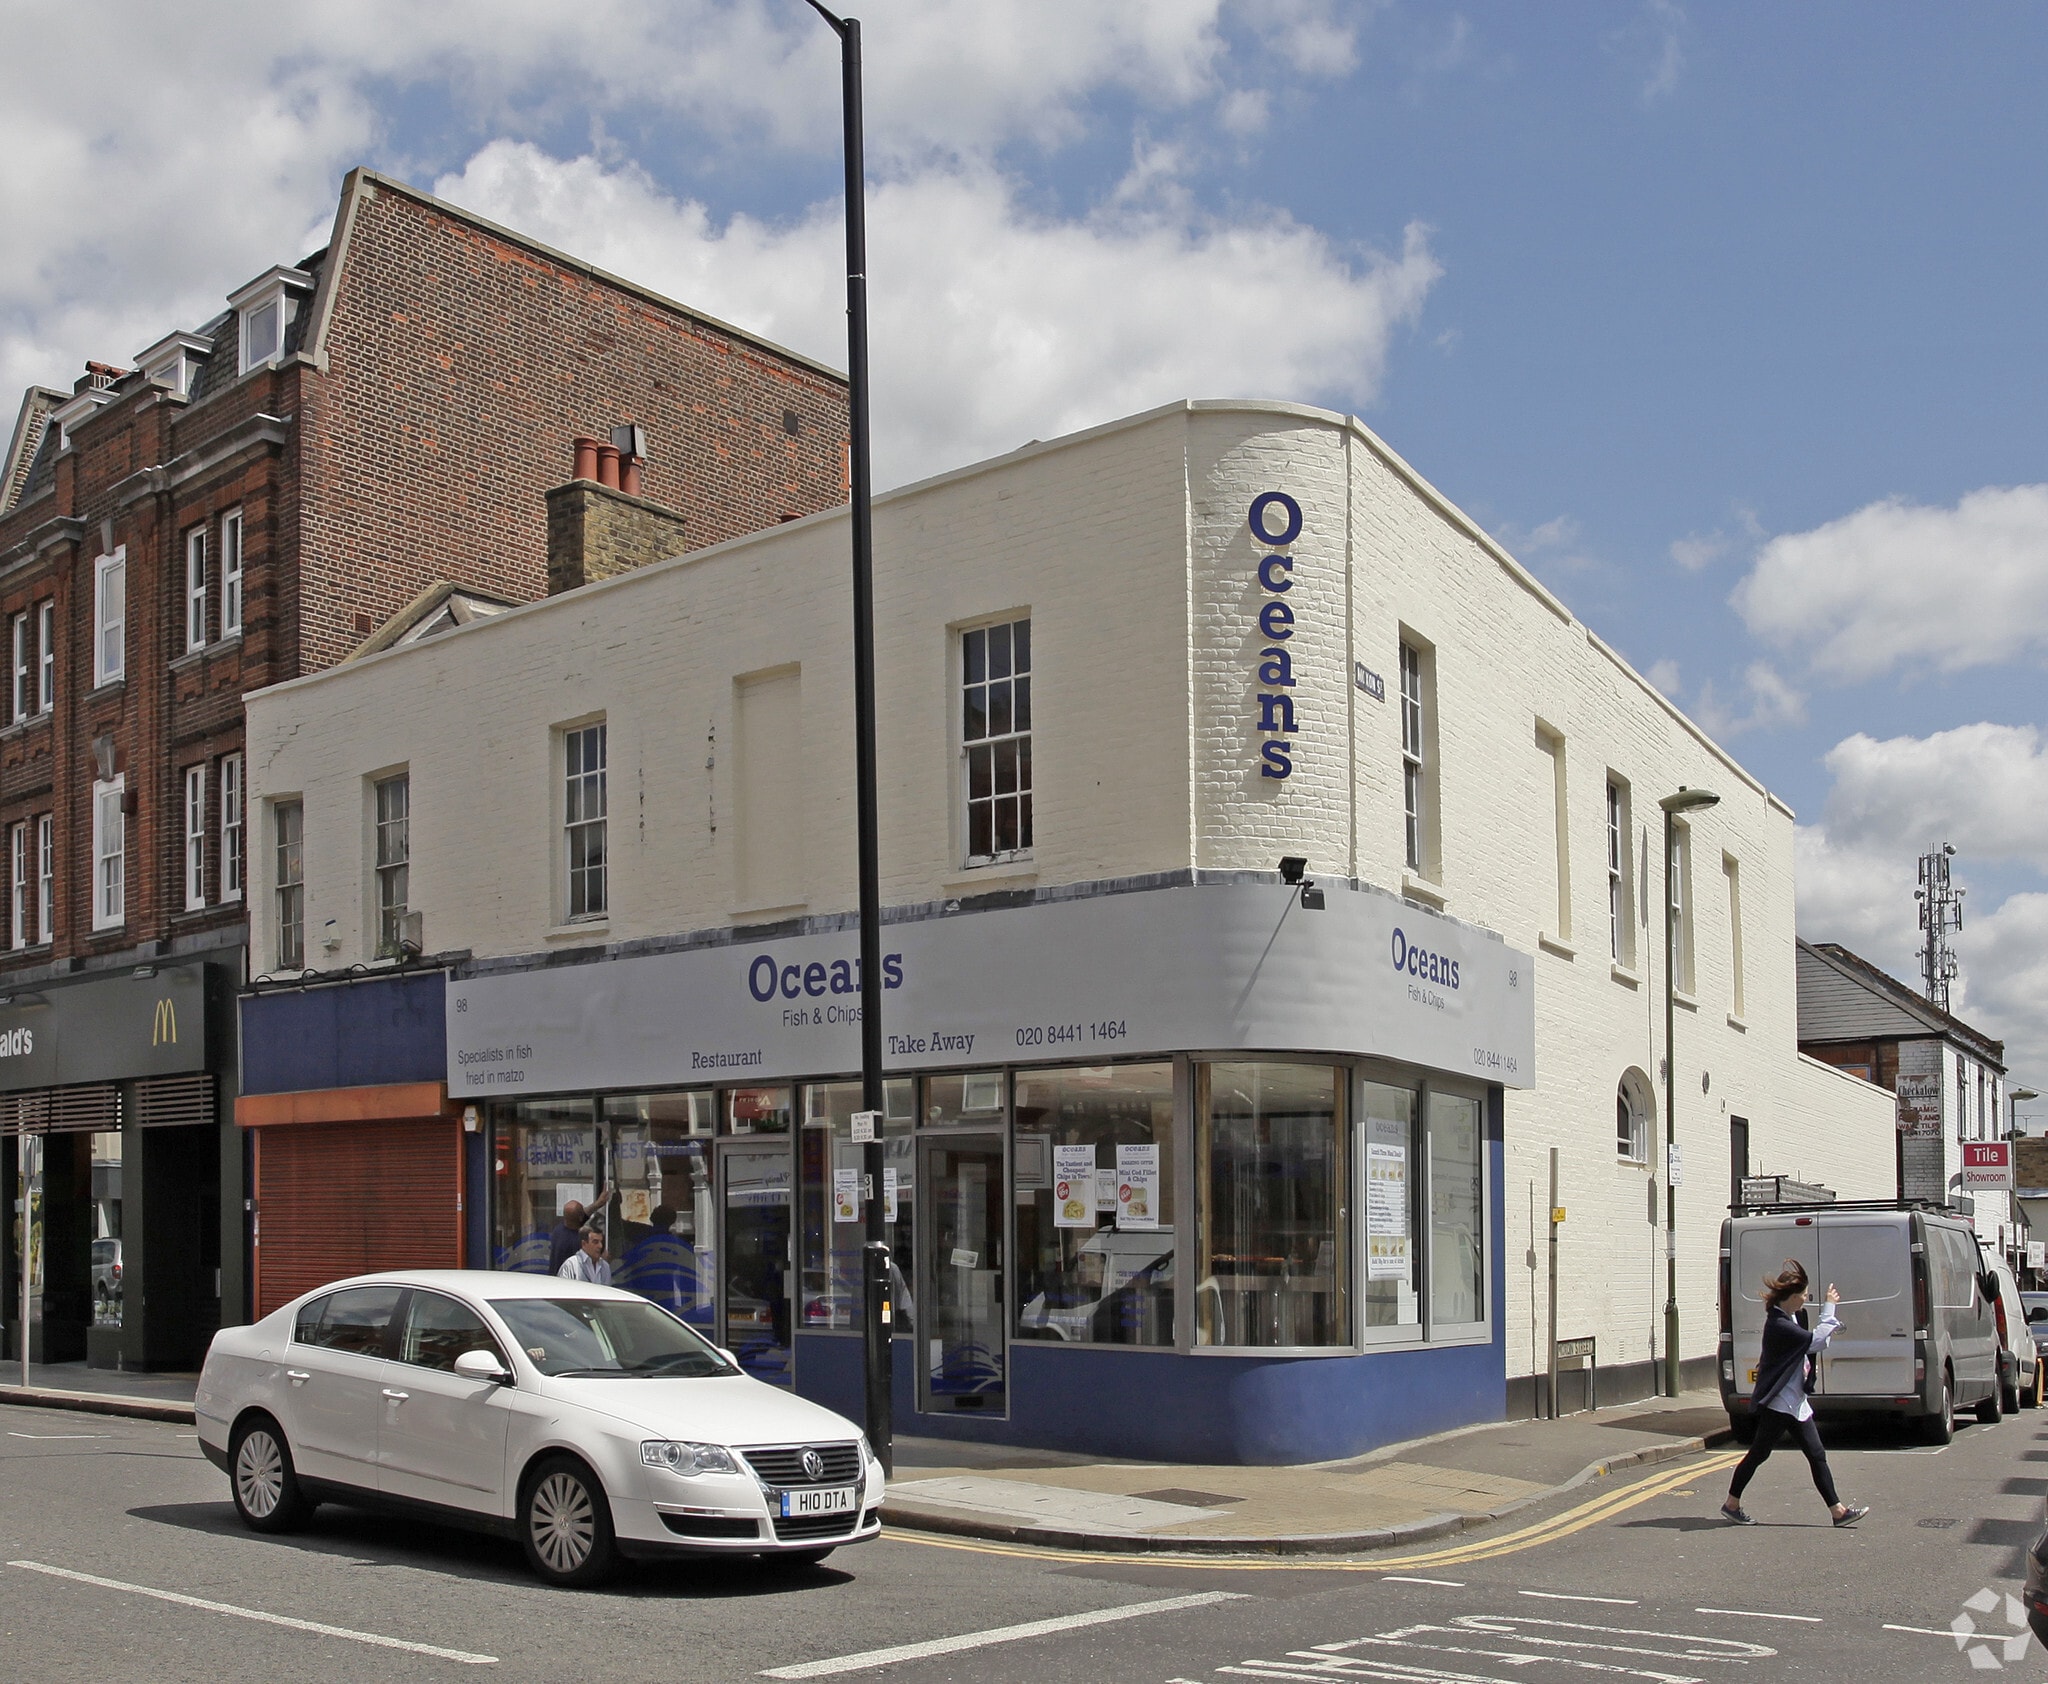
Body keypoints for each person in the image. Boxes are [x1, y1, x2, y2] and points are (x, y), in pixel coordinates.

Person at [1722, 1259, 1868, 1527]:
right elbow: (1817, 1342)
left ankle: (1838, 1511)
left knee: (1815, 1454)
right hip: (1780, 1403)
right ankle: (1732, 1504)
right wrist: (1829, 1308)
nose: (1804, 1299)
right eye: (1802, 1295)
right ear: (1789, 1297)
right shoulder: (1778, 1324)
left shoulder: (1794, 1316)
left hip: (1795, 1401)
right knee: (1759, 1454)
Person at [548, 1186, 615, 1275]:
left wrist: (598, 1203)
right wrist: (603, 1260)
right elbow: (590, 1263)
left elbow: (581, 1215)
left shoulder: (559, 1230)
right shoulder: (577, 1242)